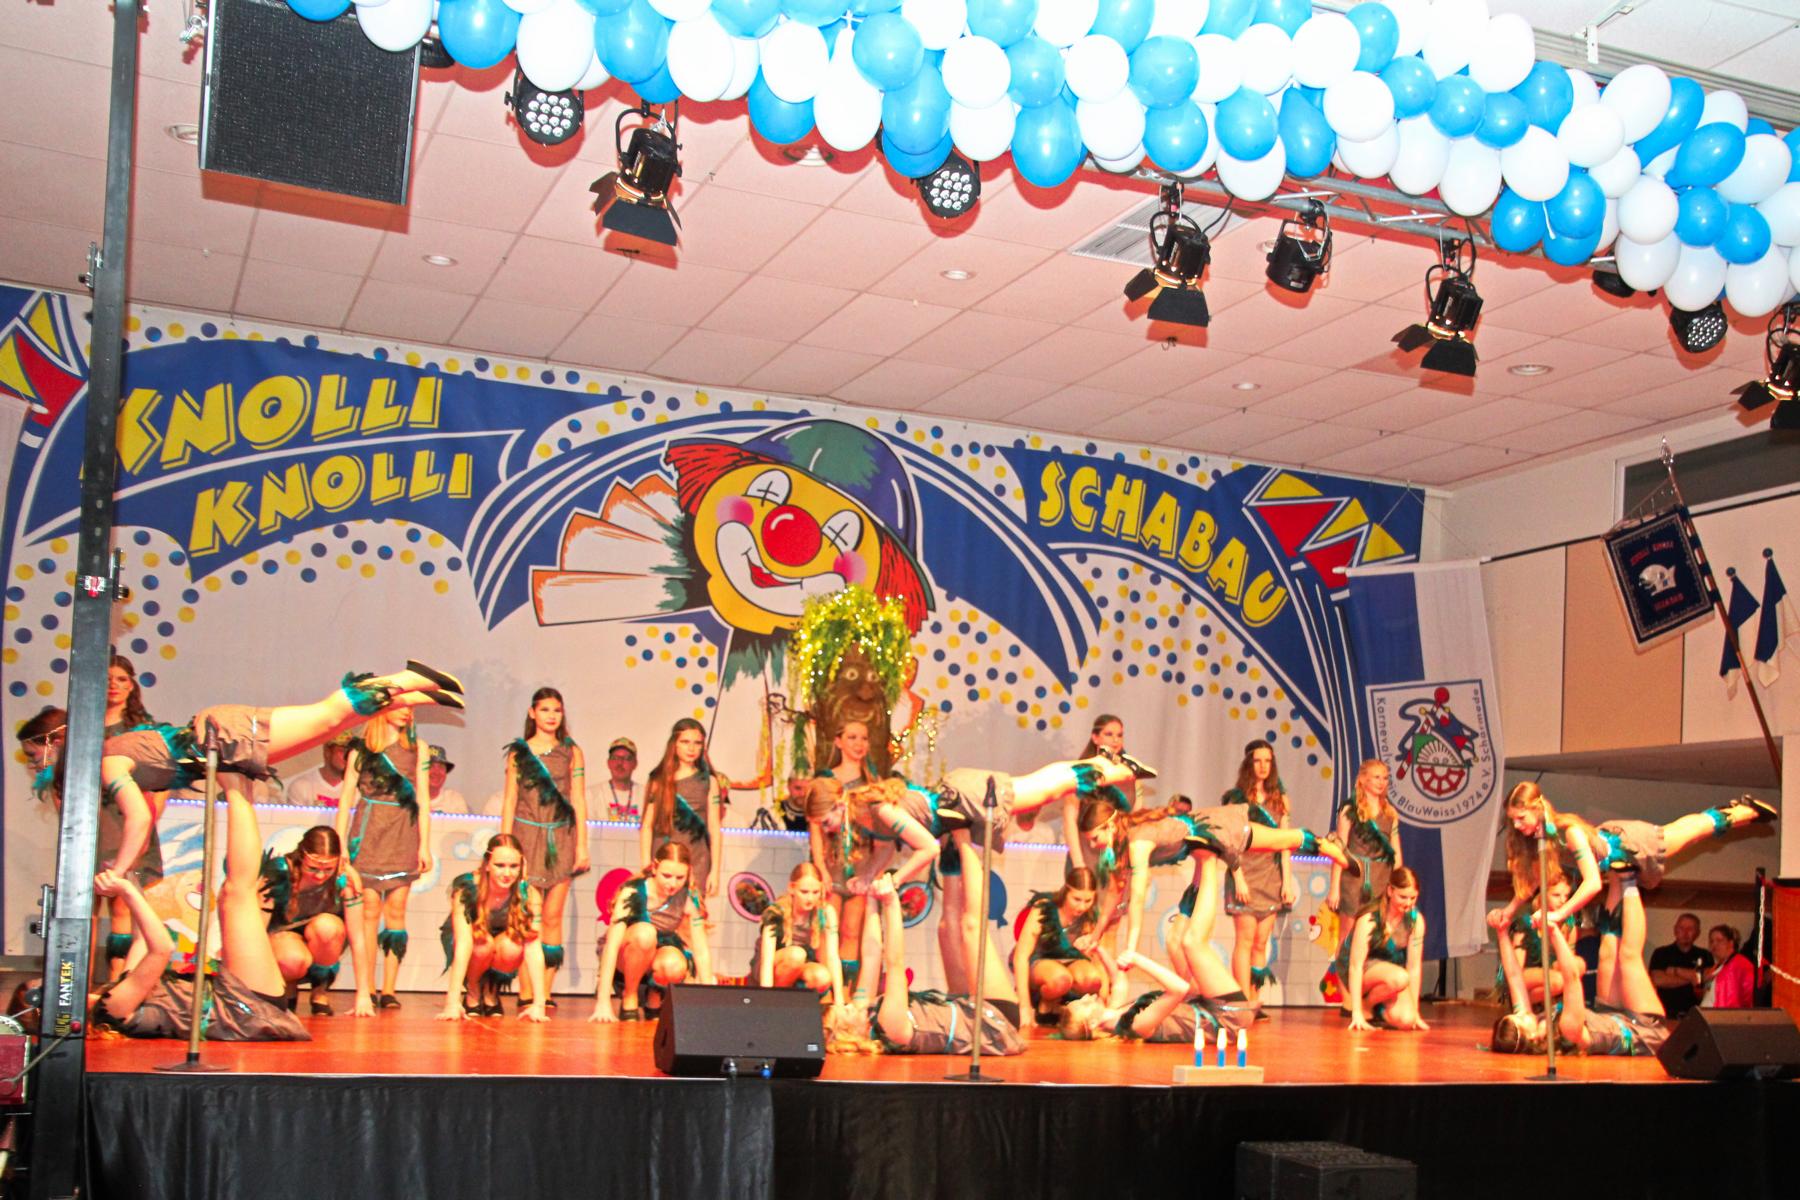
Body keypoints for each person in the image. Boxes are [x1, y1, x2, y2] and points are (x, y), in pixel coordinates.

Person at [809, 751, 1147, 1002]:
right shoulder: (866, 817)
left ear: (838, 806)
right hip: (955, 815)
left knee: (1043, 790)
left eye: (826, 822)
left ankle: (1110, 767)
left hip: (963, 797)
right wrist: (868, 876)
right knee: (1041, 788)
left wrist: (895, 882)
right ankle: (1103, 764)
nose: (827, 830)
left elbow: (927, 848)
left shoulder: (878, 809)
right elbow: (886, 848)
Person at [99, 662, 461, 890]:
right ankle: (412, 697)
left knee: (325, 717)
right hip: (222, 748)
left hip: (222, 735)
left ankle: (408, 679)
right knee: (328, 728)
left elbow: (139, 817)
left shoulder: (108, 761)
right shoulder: (119, 754)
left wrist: (118, 871)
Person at [1495, 783, 1773, 1011]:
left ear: (1537, 809)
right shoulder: (1540, 841)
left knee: (1688, 834)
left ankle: (1738, 812)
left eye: (1521, 818)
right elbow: (1532, 881)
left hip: (1630, 845)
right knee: (1610, 936)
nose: (1517, 825)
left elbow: (1592, 884)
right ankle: (1613, 1009)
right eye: (1513, 820)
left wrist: (1559, 913)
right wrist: (1508, 911)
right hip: (1617, 870)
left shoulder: (1570, 833)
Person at [89, 778, 313, 1041]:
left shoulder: (118, 989)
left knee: (233, 894)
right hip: (245, 1014)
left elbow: (141, 939)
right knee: (237, 894)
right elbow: (161, 948)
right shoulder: (110, 1009)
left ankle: (239, 784)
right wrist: (125, 890)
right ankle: (236, 783)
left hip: (230, 1000)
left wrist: (126, 869)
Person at [1078, 797, 1346, 1010]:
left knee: (1279, 841)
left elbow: (1137, 897)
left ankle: (1323, 844)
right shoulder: (1121, 848)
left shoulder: (1137, 843)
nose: (1092, 845)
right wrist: (1097, 934)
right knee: (1175, 941)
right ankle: (1196, 999)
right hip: (1199, 849)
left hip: (1214, 830)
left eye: (1094, 838)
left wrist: (1131, 948)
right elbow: (1114, 894)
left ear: (1110, 826)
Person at [823, 874, 1025, 1057]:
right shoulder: (890, 1027)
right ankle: (965, 846)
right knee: (972, 926)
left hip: (972, 1011)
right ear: (852, 1032)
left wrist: (871, 899)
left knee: (951, 929)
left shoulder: (869, 1012)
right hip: (995, 1024)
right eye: (845, 1012)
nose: (846, 1006)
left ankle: (955, 859)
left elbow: (871, 954)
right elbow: (895, 963)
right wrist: (891, 902)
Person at [335, 704, 433, 1010]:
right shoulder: (361, 750)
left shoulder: (419, 749)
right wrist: (341, 847)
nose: (407, 712)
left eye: (411, 708)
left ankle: (389, 989)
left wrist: (424, 845)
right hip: (369, 830)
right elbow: (345, 800)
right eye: (401, 706)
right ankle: (365, 987)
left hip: (404, 829)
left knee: (397, 910)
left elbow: (423, 799)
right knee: (368, 910)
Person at [501, 687, 589, 1006]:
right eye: (545, 709)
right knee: (530, 916)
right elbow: (510, 799)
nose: (552, 716)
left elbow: (578, 799)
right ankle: (527, 990)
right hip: (526, 836)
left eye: (557, 710)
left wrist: (582, 845)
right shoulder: (519, 752)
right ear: (532, 712)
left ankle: (545, 990)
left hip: (560, 837)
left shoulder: (572, 751)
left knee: (553, 916)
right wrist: (505, 842)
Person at [1492, 919, 1668, 1057]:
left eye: (1516, 1014)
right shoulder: (1566, 1030)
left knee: (1608, 952)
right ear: (1532, 1037)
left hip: (1611, 1016)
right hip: (1645, 1032)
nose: (1521, 1012)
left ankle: (1619, 884)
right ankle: (1630, 885)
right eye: (1521, 1018)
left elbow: (1514, 976)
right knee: (1628, 956)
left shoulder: (1536, 1025)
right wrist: (1554, 932)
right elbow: (1572, 977)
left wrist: (1501, 931)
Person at [590, 842, 713, 1022]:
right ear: (655, 867)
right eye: (667, 876)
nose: (672, 884)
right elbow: (612, 945)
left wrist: (710, 1002)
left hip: (656, 955)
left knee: (674, 963)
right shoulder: (633, 892)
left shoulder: (688, 897)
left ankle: (653, 1000)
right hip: (626, 957)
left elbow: (701, 951)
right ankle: (630, 996)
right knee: (645, 934)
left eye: (680, 877)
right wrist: (603, 1001)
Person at [807, 720, 889, 992]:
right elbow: (815, 828)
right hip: (831, 862)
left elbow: (881, 834)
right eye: (852, 737)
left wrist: (874, 871)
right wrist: (820, 868)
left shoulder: (872, 784)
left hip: (861, 863)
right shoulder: (825, 780)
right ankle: (825, 991)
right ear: (838, 741)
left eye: (864, 738)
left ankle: (845, 992)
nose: (859, 743)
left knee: (852, 930)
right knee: (827, 926)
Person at [262, 826, 373, 1016]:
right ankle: (288, 987)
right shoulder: (279, 871)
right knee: (293, 958)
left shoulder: (346, 879)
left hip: (322, 940)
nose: (320, 876)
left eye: (328, 869)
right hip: (282, 941)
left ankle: (320, 990)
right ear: (301, 857)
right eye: (312, 868)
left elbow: (358, 938)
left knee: (327, 928)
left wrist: (363, 993)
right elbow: (257, 925)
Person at [438, 834, 549, 1022]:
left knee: (512, 947)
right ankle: (473, 991)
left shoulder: (529, 894)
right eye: (500, 865)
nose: (507, 873)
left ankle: (491, 990)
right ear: (487, 864)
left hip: (502, 938)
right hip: (471, 938)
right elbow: (464, 943)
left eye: (513, 866)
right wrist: (452, 1002)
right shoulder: (467, 889)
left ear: (522, 866)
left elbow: (533, 947)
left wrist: (539, 1004)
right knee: (482, 944)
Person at [1222, 740, 1295, 1011]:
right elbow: (1230, 842)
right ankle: (1242, 1000)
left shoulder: (1280, 800)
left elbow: (1286, 842)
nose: (1263, 766)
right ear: (1248, 763)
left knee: (1261, 942)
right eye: (1258, 760)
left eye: (1268, 761)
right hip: (1245, 872)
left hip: (1270, 875)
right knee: (1244, 939)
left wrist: (1287, 881)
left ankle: (1253, 998)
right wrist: (1238, 877)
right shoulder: (1236, 799)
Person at [1057, 947, 1249, 1041]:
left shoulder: (1117, 1014)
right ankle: (1207, 877)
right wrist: (1139, 960)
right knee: (1192, 942)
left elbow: (1118, 979)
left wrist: (1097, 949)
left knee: (1177, 942)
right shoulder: (1135, 1025)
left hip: (1206, 1007)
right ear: (1092, 1023)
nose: (1087, 996)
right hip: (1226, 1020)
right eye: (1083, 1003)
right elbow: (1179, 989)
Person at [640, 719, 725, 910]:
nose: (691, 748)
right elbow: (647, 825)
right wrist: (645, 864)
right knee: (658, 914)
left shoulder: (709, 781)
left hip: (697, 859)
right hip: (663, 857)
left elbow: (714, 828)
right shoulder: (659, 779)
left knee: (692, 914)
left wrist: (715, 871)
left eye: (697, 743)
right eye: (685, 742)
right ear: (674, 744)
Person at [1337, 868, 1429, 1032]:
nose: (1408, 903)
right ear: (1390, 891)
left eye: (1413, 898)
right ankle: (1364, 1007)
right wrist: (1356, 1012)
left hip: (1391, 974)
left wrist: (1415, 1012)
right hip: (1363, 971)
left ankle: (1375, 1007)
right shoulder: (1370, 918)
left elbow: (1414, 967)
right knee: (1400, 978)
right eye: (1403, 897)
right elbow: (1355, 966)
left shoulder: (1416, 921)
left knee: (1407, 1021)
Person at [1012, 867, 1104, 1029]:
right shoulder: (1043, 908)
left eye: (1088, 901)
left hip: (1073, 962)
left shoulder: (1091, 916)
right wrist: (1024, 1007)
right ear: (1066, 891)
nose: (1082, 907)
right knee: (1060, 979)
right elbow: (1020, 956)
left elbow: (1099, 960)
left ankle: (1062, 1008)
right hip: (1041, 964)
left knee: (1093, 979)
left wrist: (1103, 1002)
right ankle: (1044, 1004)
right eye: (1076, 899)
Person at [752, 861, 844, 1006]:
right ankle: (777, 1002)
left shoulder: (826, 912)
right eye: (804, 892)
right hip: (775, 966)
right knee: (796, 955)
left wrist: (839, 1001)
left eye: (815, 892)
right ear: (792, 888)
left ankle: (798, 1004)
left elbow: (833, 957)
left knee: (822, 977)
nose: (810, 898)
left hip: (802, 965)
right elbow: (767, 960)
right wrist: (766, 999)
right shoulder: (775, 912)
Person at [1491, 873, 1577, 1015]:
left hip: (1551, 976)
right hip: (1525, 976)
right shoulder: (1526, 924)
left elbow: (1570, 963)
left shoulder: (1569, 924)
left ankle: (1546, 1006)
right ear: (1542, 895)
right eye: (1556, 895)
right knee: (1557, 980)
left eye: (1566, 896)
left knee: (1576, 967)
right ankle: (1522, 1002)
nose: (1562, 901)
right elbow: (1516, 969)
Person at [1061, 714, 1136, 872]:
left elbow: (1133, 818)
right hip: (1085, 853)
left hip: (1117, 858)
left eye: (1119, 735)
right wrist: (1078, 864)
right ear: (1095, 738)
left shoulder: (1128, 773)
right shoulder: (1081, 772)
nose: (1115, 740)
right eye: (1109, 734)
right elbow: (1069, 820)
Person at [1647, 912, 1713, 1020]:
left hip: (1697, 1017)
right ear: (1675, 930)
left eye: (1690, 929)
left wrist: (1676, 971)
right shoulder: (1661, 953)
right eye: (1681, 928)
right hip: (1666, 1015)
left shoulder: (1705, 955)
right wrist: (1694, 977)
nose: (1685, 933)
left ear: (1697, 933)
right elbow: (1658, 980)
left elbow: (1709, 976)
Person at [282, 733, 354, 809]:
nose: (348, 756)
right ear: (327, 752)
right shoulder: (302, 786)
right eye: (342, 751)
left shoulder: (358, 789)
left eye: (350, 752)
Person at [1704, 924, 1756, 1009]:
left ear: (1731, 943)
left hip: (1724, 1014)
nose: (1714, 945)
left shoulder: (1739, 965)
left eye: (1719, 940)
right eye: (1711, 941)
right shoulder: (1717, 967)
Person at [599, 737, 641, 823]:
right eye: (615, 758)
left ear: (635, 764)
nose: (620, 763)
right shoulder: (591, 795)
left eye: (627, 758)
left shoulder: (647, 796)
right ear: (608, 763)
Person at [425, 744, 472, 814]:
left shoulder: (454, 800)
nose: (436, 772)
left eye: (441, 767)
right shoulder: (408, 799)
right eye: (430, 766)